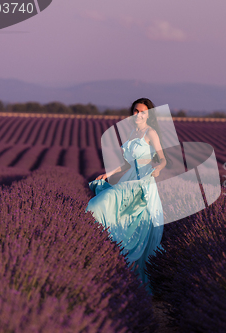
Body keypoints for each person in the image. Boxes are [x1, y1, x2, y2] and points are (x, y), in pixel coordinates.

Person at [86, 98, 166, 292]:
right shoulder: (132, 133)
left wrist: (158, 169)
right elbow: (127, 163)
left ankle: (138, 281)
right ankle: (113, 268)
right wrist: (109, 174)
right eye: (136, 111)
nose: (138, 115)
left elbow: (163, 158)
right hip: (129, 179)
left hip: (143, 183)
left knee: (133, 223)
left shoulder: (150, 133)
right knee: (113, 213)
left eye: (143, 112)